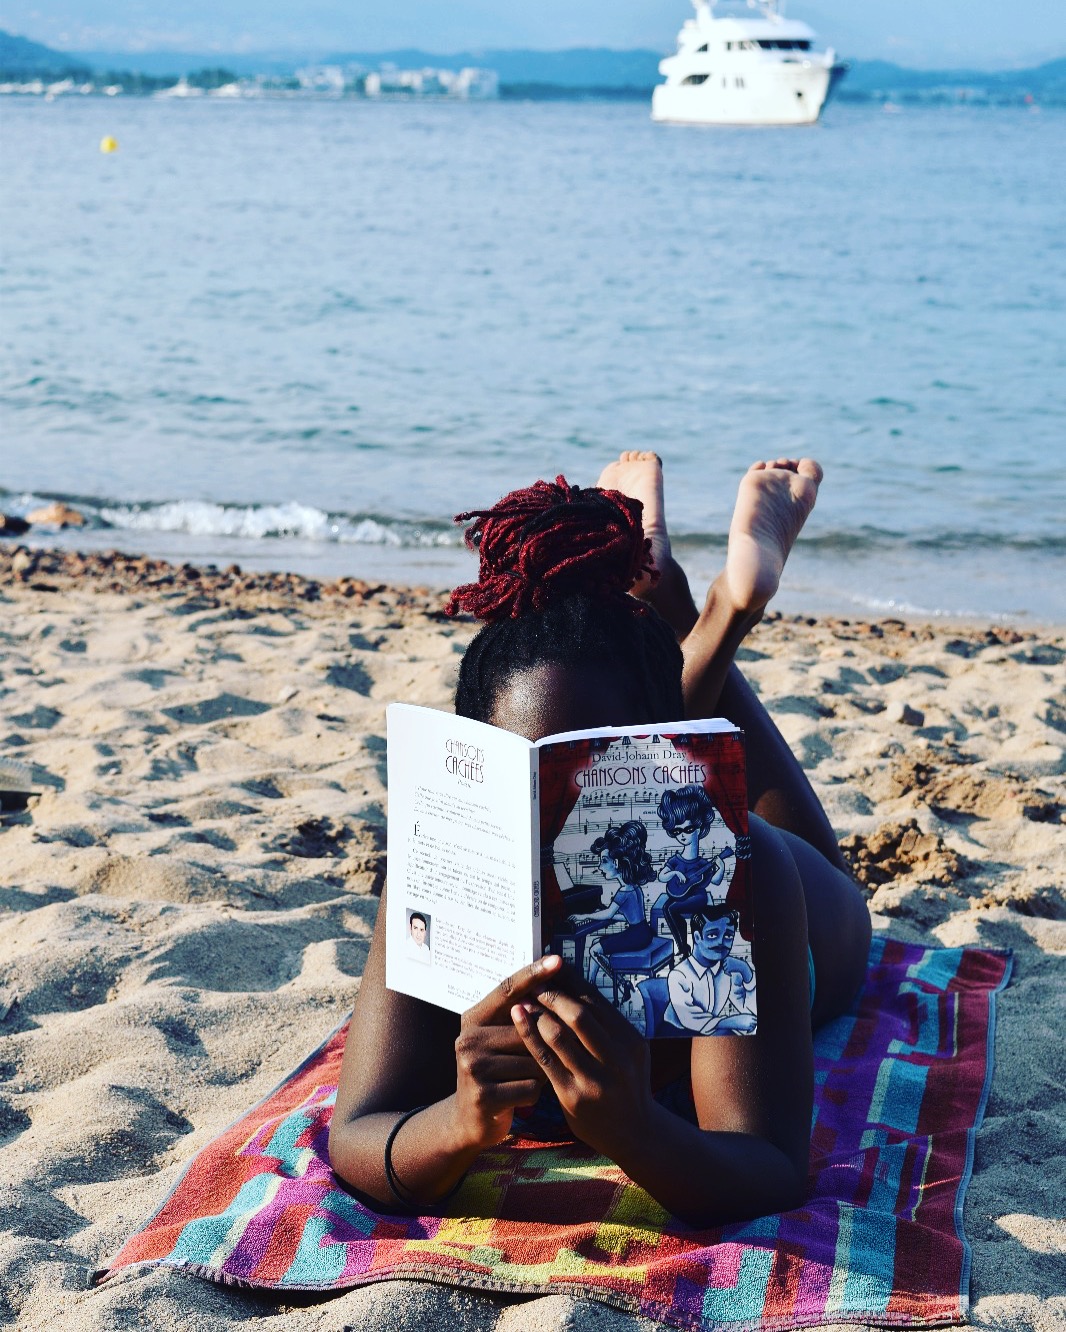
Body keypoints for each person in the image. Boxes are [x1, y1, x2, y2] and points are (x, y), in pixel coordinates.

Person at [329, 451, 872, 1228]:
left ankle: (705, 608)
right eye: (526, 783)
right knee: (609, 755)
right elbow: (358, 1133)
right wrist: (457, 1123)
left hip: (811, 932)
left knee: (834, 890)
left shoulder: (747, 873)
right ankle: (684, 602)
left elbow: (769, 1167)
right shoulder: (435, 860)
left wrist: (635, 1129)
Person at [569, 820, 656, 992]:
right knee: (596, 943)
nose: (599, 867)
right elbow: (630, 917)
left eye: (604, 861)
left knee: (594, 950)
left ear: (616, 863)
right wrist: (603, 914)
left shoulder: (624, 891)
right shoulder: (634, 887)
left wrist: (584, 916)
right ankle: (591, 985)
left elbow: (608, 914)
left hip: (636, 936)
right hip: (642, 932)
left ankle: (621, 983)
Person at [656, 784, 734, 957]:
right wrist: (676, 873)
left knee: (670, 909)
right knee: (669, 907)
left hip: (698, 897)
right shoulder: (676, 860)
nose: (682, 835)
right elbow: (662, 876)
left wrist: (721, 868)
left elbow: (715, 881)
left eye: (688, 829)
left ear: (699, 828)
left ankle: (685, 949)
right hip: (679, 894)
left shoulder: (702, 864)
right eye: (677, 831)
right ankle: (683, 947)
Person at [664, 906, 757, 1035]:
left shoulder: (729, 970)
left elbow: (752, 1012)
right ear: (697, 937)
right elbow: (689, 1018)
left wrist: (746, 971)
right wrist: (730, 1022)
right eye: (712, 935)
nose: (721, 942)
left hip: (709, 1034)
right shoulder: (679, 974)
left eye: (729, 936)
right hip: (675, 1033)